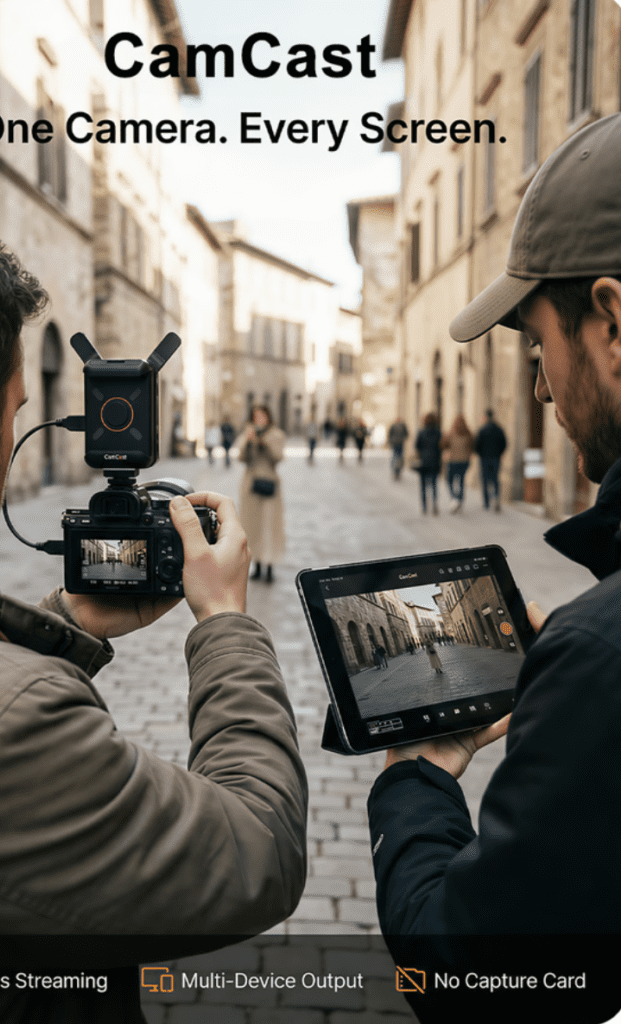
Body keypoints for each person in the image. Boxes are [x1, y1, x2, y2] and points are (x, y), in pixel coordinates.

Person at [0, 199, 308, 1019]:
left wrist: (61, 623)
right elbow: (257, 853)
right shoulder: (12, 732)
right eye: (15, 411)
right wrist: (226, 626)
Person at [367, 113, 621, 991]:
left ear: (612, 324)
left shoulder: (597, 657)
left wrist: (416, 775)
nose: (540, 385)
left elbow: (466, 978)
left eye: (540, 345)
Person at [237, 404, 286, 584]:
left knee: (270, 526)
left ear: (268, 416)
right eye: (255, 416)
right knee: (252, 527)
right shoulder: (247, 433)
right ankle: (256, 565)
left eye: (262, 415)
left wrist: (264, 443)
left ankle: (270, 566)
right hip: (250, 486)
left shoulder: (276, 434)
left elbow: (278, 457)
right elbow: (241, 457)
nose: (259, 419)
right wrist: (249, 441)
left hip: (269, 484)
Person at [440, 413, 474, 513]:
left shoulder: (451, 433)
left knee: (449, 480)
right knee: (461, 481)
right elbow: (473, 446)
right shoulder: (468, 433)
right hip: (464, 461)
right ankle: (460, 499)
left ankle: (454, 498)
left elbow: (443, 445)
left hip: (453, 461)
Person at [475, 409, 507, 511]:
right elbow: (504, 443)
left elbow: (477, 445)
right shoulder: (499, 429)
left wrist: (481, 454)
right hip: (495, 458)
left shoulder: (482, 430)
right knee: (495, 479)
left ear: (485, 416)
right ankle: (496, 497)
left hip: (484, 458)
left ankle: (486, 502)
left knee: (485, 480)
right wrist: (499, 453)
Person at [414, 412, 442, 515]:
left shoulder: (421, 432)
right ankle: (434, 504)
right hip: (435, 461)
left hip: (424, 462)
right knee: (434, 485)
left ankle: (424, 507)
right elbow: (440, 447)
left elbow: (417, 446)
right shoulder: (438, 433)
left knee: (423, 486)